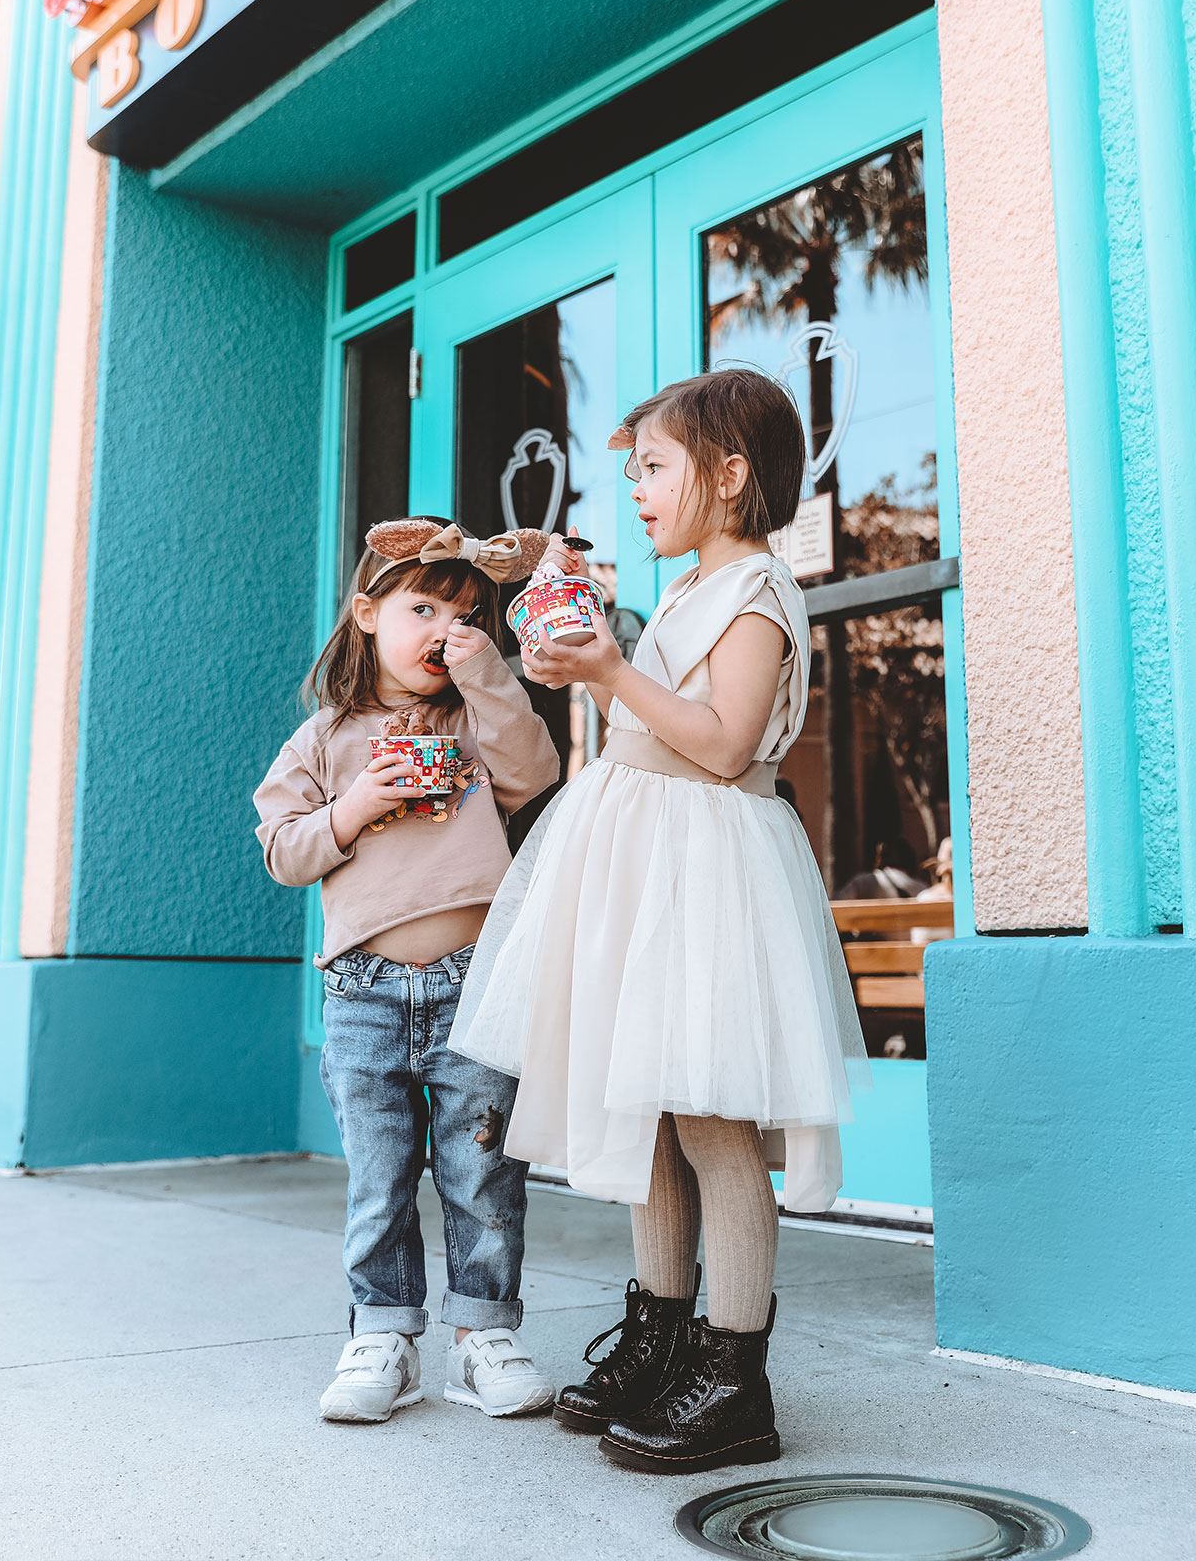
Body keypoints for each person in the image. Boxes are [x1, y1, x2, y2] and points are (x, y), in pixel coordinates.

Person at [450, 369, 867, 1474]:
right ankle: (661, 1336)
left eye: (654, 466)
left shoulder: (759, 592)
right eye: (632, 468)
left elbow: (724, 742)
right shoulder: (686, 590)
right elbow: (649, 719)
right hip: (647, 859)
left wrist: (611, 669)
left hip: (709, 862)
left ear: (728, 477)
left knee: (714, 1120)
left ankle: (734, 1374)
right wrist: (585, 659)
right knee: (650, 1115)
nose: (634, 487)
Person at [253, 518, 563, 1428]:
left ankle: (483, 1338)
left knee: (483, 1169)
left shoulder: (475, 719)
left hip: (477, 982)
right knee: (379, 1174)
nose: (440, 629)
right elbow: (283, 851)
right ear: (365, 613)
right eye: (421, 607)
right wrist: (350, 809)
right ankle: (383, 1333)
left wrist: (489, 673)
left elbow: (534, 769)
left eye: (464, 615)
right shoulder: (321, 740)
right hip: (364, 993)